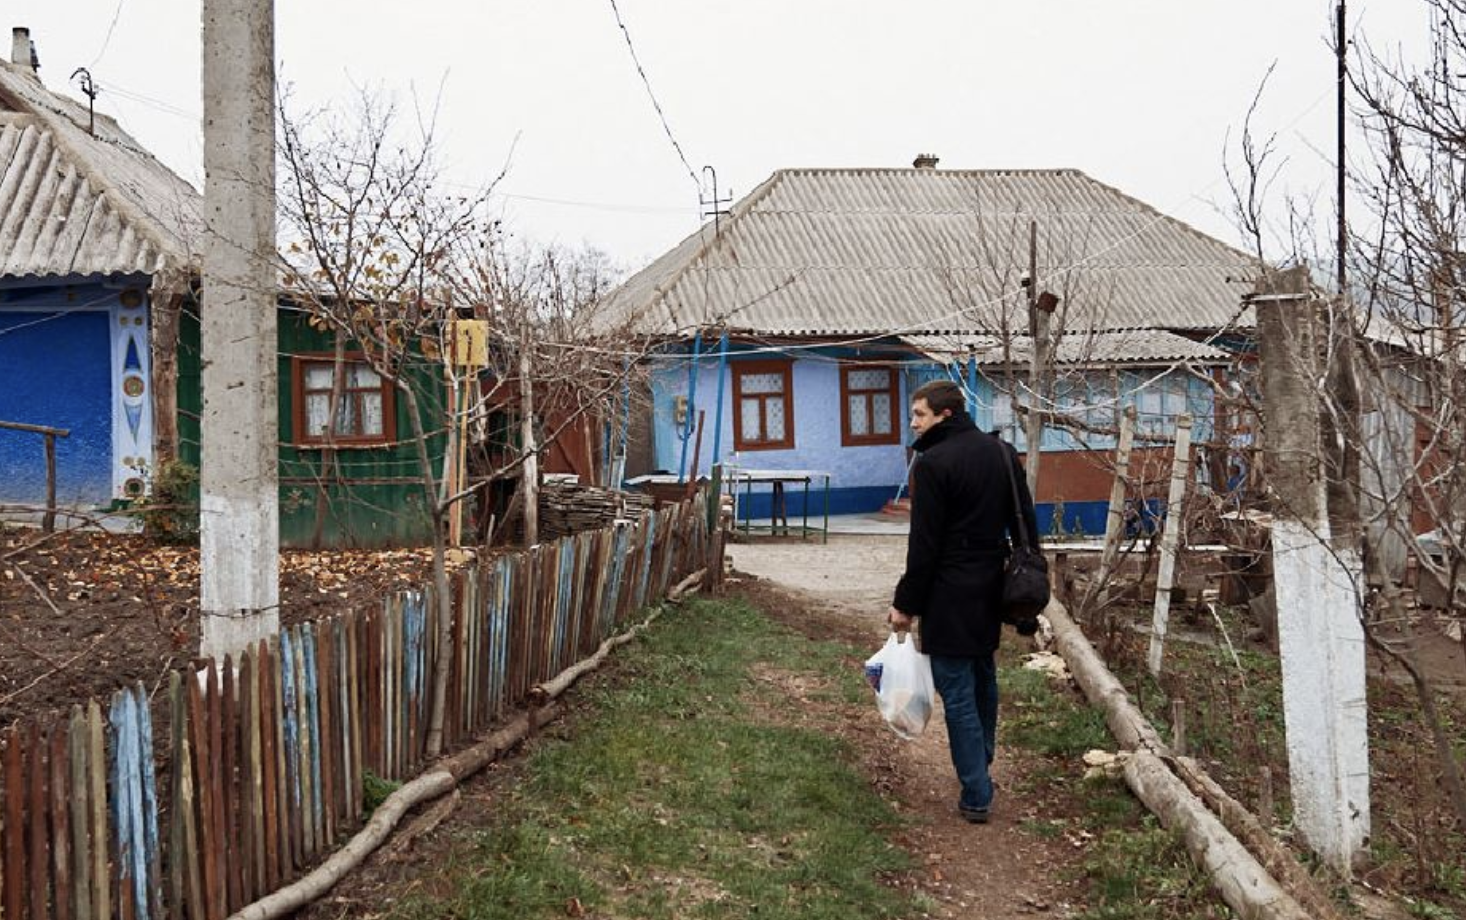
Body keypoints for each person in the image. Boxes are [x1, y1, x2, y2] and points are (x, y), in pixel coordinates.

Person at [887, 379, 1040, 824]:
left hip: (949, 589)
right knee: (982, 677)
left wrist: (905, 605)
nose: (913, 423)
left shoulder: (932, 464)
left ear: (944, 415)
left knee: (957, 691)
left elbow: (925, 546)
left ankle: (976, 792)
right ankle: (981, 766)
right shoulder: (1000, 452)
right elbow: (1026, 522)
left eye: (919, 415)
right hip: (991, 582)